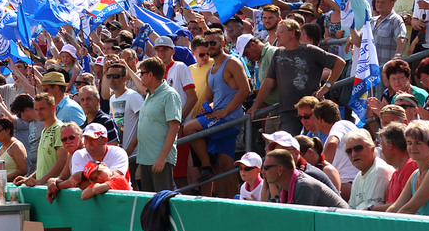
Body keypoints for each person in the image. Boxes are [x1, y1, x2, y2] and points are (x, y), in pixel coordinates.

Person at [183, 28, 250, 195]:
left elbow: (245, 89)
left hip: (228, 118)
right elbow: (208, 99)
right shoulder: (212, 69)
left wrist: (225, 112)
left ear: (222, 43)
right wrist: (206, 108)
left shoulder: (232, 62)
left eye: (213, 43)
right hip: (218, 117)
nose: (209, 46)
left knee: (189, 128)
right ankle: (230, 199)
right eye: (206, 44)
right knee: (225, 163)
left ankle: (205, 167)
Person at [251, 19, 345, 135]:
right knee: (289, 145)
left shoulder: (310, 50)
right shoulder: (278, 53)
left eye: (280, 32)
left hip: (311, 110)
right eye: (277, 33)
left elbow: (339, 63)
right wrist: (256, 106)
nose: (277, 35)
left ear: (292, 33)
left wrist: (326, 87)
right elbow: (269, 81)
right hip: (287, 110)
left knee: (315, 143)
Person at [136, 57, 182, 192]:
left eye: (141, 73)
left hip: (159, 161)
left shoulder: (170, 95)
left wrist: (162, 158)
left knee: (161, 204)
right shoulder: (150, 94)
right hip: (145, 159)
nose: (140, 77)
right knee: (150, 204)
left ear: (150, 75)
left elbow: (174, 127)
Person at [261, 149, 347, 208]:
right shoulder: (285, 186)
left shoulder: (303, 186)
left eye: (266, 168)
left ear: (280, 169)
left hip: (343, 226)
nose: (262, 172)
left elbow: (302, 224)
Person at [14, 93, 66, 187]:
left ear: (53, 107)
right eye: (36, 109)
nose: (38, 112)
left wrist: (41, 181)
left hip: (55, 189)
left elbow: (62, 161)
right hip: (44, 188)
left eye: (42, 109)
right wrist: (29, 179)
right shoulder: (43, 131)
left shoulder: (60, 128)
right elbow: (43, 166)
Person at [313, 99, 359, 200]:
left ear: (320, 119)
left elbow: (332, 143)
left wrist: (320, 167)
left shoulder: (339, 125)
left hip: (349, 184)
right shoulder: (345, 125)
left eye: (314, 120)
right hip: (351, 184)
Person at [345, 129, 395, 210]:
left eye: (358, 148)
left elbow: (371, 215)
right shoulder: (359, 176)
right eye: (349, 151)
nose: (353, 154)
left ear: (372, 149)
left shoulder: (379, 172)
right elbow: (351, 208)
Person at [105, 61, 143, 156]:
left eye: (116, 76)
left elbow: (146, 123)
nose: (111, 79)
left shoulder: (133, 96)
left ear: (124, 79)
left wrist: (130, 148)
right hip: (120, 154)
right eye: (108, 76)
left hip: (134, 154)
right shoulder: (112, 99)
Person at [376, 122, 416, 210]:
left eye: (382, 145)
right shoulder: (396, 173)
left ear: (390, 145)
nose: (381, 151)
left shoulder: (411, 166)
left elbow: (405, 204)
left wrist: (370, 209)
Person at [370, 0, 407, 67]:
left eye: (383, 2)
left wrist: (398, 55)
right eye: (377, 2)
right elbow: (360, 39)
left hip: (386, 70)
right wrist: (351, 36)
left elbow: (402, 37)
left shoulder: (395, 20)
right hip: (371, 70)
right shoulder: (372, 21)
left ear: (392, 4)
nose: (379, 4)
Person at [0, 117, 27, 183]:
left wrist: (2, 179)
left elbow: (23, 170)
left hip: (13, 188)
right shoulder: (2, 147)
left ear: (8, 130)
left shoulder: (15, 145)